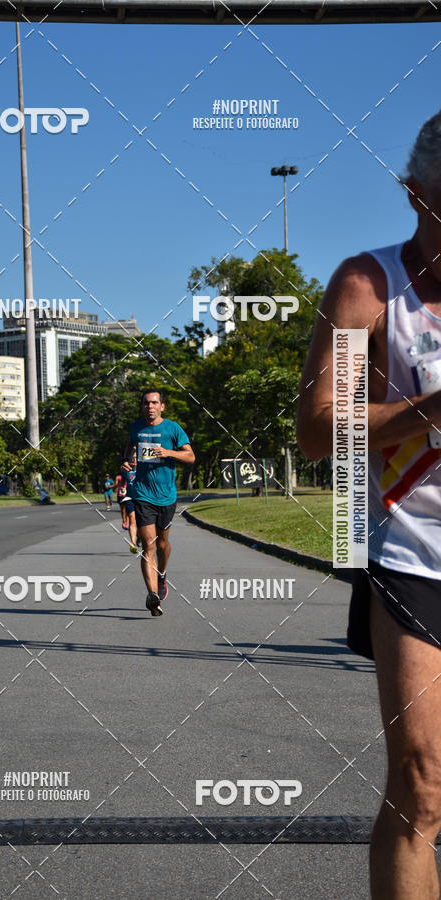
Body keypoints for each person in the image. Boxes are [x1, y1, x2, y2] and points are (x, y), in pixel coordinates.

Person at [296, 111, 441, 899]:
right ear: (415, 196)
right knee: (423, 787)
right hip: (416, 553)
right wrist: (431, 410)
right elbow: (317, 431)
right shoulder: (367, 286)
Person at [123, 390, 195, 616]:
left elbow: (191, 456)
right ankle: (153, 596)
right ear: (141, 406)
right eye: (146, 403)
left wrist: (168, 452)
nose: (150, 406)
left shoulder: (173, 428)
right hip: (142, 494)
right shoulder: (135, 427)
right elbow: (129, 450)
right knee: (149, 546)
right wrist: (125, 462)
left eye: (154, 403)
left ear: (162, 406)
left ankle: (161, 574)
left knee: (163, 544)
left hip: (167, 496)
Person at [118, 449, 139, 553]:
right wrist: (122, 487)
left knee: (141, 522)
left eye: (136, 458)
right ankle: (133, 543)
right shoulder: (125, 470)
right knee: (132, 519)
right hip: (130, 498)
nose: (134, 460)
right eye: (132, 459)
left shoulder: (143, 469)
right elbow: (123, 481)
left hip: (142, 499)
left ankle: (138, 536)